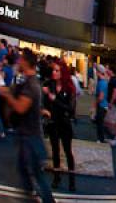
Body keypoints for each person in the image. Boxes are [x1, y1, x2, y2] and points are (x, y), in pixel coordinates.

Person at [0, 49, 54, 203]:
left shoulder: (31, 85)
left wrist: (7, 95)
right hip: (26, 136)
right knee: (26, 172)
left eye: (21, 59)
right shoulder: (28, 83)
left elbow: (21, 107)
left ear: (26, 62)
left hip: (31, 138)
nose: (18, 62)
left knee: (36, 175)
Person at [42, 62, 76, 192]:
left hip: (65, 124)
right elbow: (45, 103)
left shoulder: (69, 88)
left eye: (57, 70)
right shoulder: (49, 84)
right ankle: (56, 178)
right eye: (53, 70)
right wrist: (45, 110)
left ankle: (72, 180)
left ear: (63, 73)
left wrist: (54, 98)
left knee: (68, 151)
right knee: (55, 150)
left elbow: (71, 109)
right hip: (53, 123)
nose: (54, 72)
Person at [94, 64, 109, 143]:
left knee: (100, 123)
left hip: (102, 106)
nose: (96, 72)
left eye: (97, 71)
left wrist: (95, 104)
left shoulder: (102, 83)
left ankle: (101, 139)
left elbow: (101, 97)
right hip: (104, 105)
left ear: (99, 72)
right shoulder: (103, 82)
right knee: (100, 122)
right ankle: (101, 138)